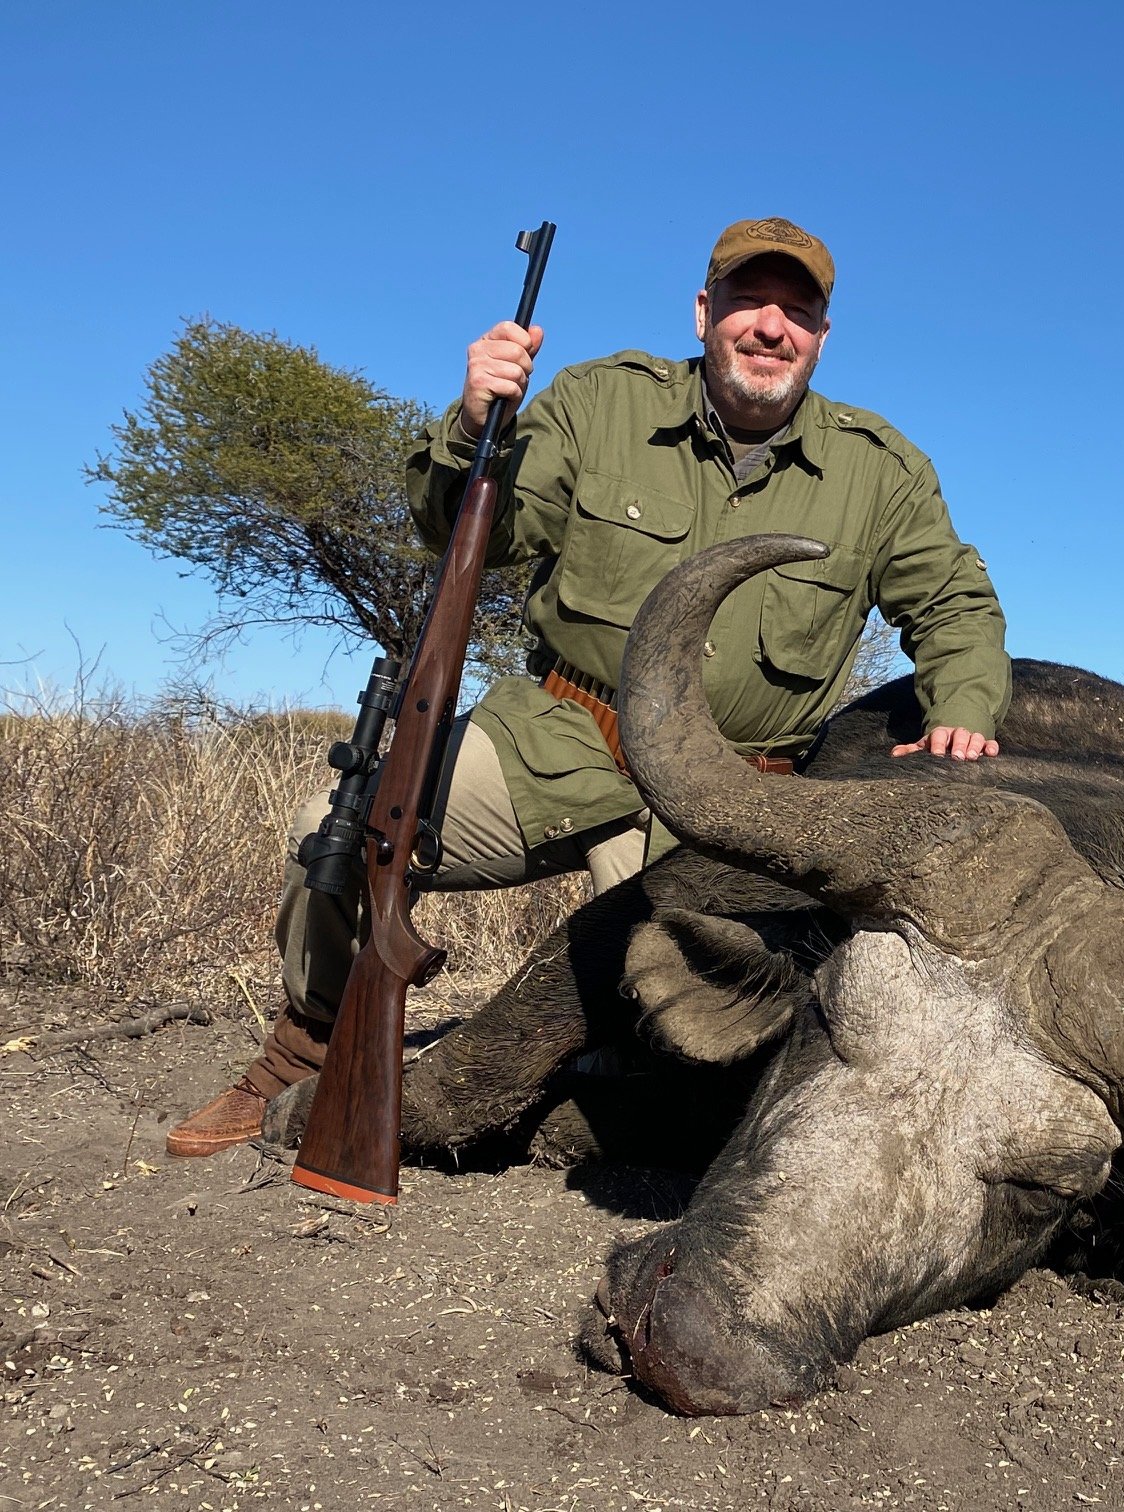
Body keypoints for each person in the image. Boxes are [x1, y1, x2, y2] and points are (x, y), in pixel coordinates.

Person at [167, 216, 1011, 1156]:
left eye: (797, 312)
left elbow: (956, 605)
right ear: (704, 313)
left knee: (689, 1036)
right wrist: (475, 424)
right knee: (339, 835)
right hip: (562, 740)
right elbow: (465, 529)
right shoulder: (597, 402)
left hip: (733, 800)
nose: (771, 328)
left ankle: (572, 1095)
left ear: (820, 336)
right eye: (747, 301)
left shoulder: (881, 470)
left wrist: (961, 715)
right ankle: (305, 1049)